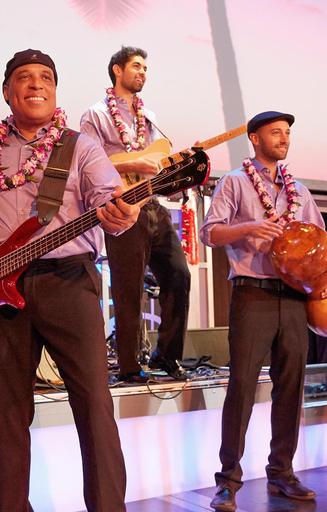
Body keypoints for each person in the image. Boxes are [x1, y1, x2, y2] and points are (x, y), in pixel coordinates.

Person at [0, 49, 139, 511]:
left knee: (94, 407)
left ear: (55, 91)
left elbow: (113, 205)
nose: (36, 84)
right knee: (7, 416)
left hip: (67, 281)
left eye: (46, 77)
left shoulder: (82, 146)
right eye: (25, 78)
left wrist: (121, 214)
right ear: (8, 91)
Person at [200, 111, 327, 510]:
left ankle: (282, 473)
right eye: (275, 132)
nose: (284, 138)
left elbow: (320, 241)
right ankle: (227, 480)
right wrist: (250, 228)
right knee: (241, 386)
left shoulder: (299, 189)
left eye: (287, 133)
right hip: (252, 294)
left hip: (294, 298)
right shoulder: (234, 182)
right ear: (255, 140)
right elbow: (210, 232)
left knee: (291, 386)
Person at [80, 45, 190, 383]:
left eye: (145, 68)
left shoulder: (148, 118)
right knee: (129, 289)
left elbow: (155, 161)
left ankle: (166, 355)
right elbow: (87, 161)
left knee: (179, 275)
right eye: (136, 66)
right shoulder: (96, 115)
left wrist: (178, 173)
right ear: (117, 70)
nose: (142, 72)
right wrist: (132, 162)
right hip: (122, 206)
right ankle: (129, 367)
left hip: (153, 203)